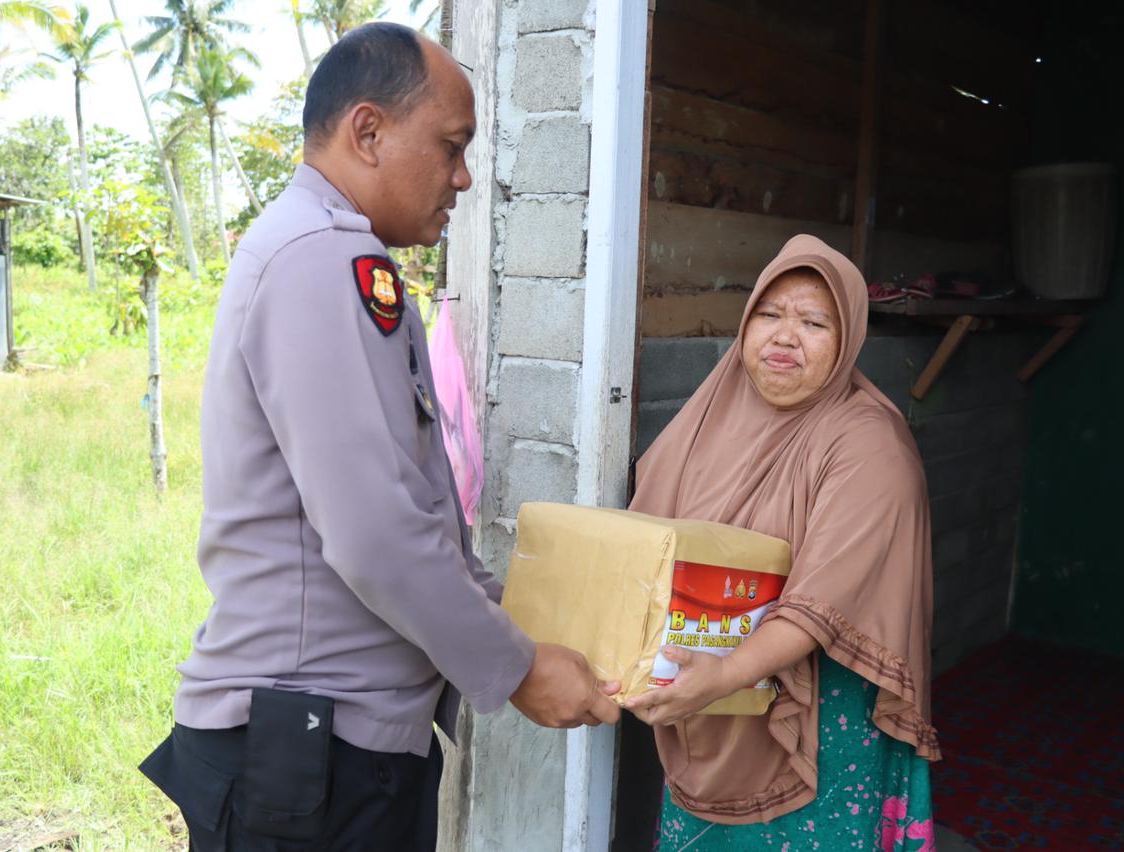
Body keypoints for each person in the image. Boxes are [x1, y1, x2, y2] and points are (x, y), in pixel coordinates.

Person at [139, 22, 619, 851]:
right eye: (451, 147)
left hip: (329, 746)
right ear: (368, 131)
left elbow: (417, 506)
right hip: (306, 758)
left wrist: (522, 626)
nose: (463, 178)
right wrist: (522, 669)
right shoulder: (320, 261)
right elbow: (374, 536)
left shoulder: (335, 257)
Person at [626, 235, 940, 850]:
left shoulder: (869, 445)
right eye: (769, 314)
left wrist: (726, 674)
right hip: (705, 703)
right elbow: (643, 546)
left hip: (813, 727)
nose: (785, 335)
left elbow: (822, 599)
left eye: (815, 322)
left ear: (848, 339)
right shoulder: (707, 418)